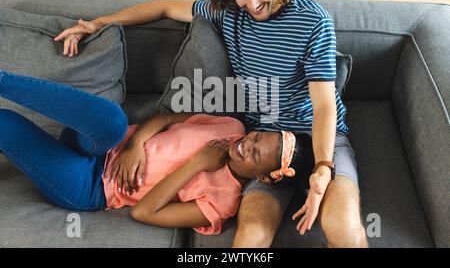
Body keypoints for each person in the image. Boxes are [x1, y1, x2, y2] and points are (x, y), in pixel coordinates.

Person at [54, 0, 368, 247]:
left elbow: (324, 105)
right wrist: (99, 23)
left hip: (321, 140)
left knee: (341, 227)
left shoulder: (314, 21)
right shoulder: (229, 13)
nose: (253, 5)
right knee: (251, 237)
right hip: (263, 146)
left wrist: (323, 168)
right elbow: (164, 7)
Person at [0, 69, 312, 235]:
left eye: (255, 155)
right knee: (113, 121)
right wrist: (135, 145)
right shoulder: (231, 127)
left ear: (266, 177)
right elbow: (163, 119)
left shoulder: (223, 203)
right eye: (258, 137)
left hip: (91, 186)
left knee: (6, 123)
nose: (248, 145)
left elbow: (143, 213)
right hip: (104, 144)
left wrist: (199, 164)